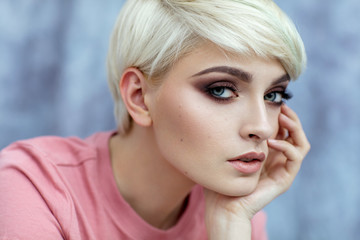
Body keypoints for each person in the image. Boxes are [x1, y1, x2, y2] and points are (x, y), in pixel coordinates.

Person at [0, 0, 310, 239]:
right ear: (138, 97)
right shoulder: (30, 188)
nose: (264, 127)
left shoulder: (238, 212)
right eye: (221, 90)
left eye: (274, 95)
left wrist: (231, 224)